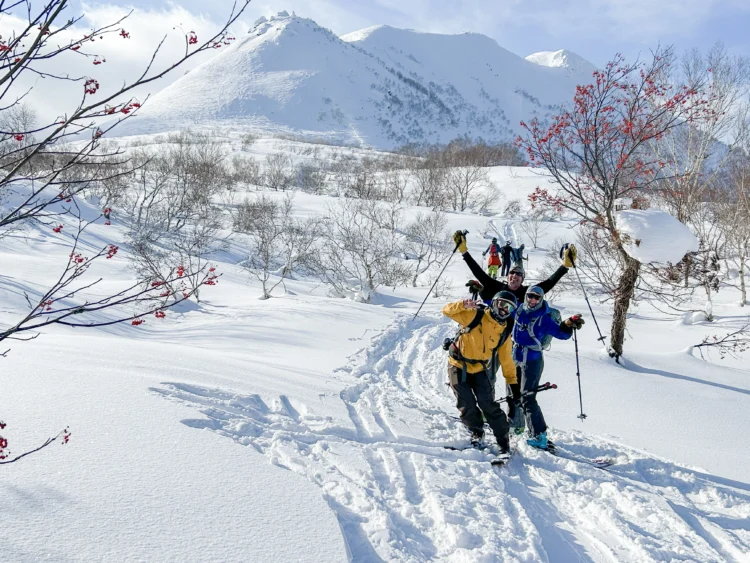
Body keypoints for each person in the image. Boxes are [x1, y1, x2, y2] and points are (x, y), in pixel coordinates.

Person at [442, 292, 520, 465]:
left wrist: (514, 386)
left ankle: (503, 442)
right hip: (458, 364)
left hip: (479, 367)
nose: (503, 309)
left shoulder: (504, 331)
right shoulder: (474, 315)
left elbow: (507, 360)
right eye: (501, 303)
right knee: (466, 402)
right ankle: (476, 431)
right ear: (493, 302)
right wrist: (463, 304)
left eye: (509, 307)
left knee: (488, 404)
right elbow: (446, 311)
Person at [511, 286, 584, 450]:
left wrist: (568, 324)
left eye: (537, 297)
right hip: (515, 356)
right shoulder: (517, 310)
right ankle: (516, 426)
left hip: (533, 361)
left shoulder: (544, 318)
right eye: (530, 296)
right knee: (514, 393)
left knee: (527, 398)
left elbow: (562, 334)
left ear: (541, 299)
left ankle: (539, 435)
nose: (532, 300)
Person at [451, 230, 576, 308]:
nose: (514, 275)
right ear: (508, 276)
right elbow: (479, 273)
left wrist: (564, 267)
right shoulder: (498, 287)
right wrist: (464, 252)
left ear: (522, 279)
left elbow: (547, 284)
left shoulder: (528, 293)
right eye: (512, 273)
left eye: (519, 274)